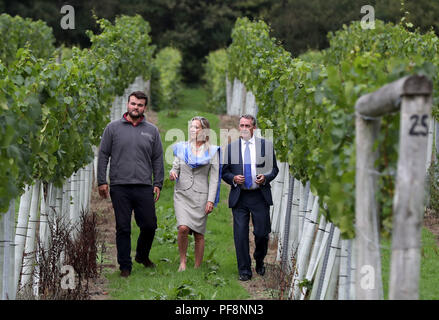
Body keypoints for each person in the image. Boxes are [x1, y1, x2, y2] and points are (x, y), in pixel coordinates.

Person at [97, 91, 164, 278]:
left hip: (143, 185)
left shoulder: (152, 130)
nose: (136, 107)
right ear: (128, 104)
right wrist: (102, 181)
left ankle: (142, 256)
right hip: (120, 186)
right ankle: (125, 266)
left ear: (145, 108)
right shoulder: (112, 128)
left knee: (150, 225)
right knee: (123, 227)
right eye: (133, 104)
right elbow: (103, 155)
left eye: (140, 105)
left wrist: (158, 182)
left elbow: (158, 158)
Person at [222, 114, 279, 281]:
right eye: (242, 125)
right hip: (240, 197)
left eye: (248, 126)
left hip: (259, 196)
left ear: (254, 128)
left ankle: (259, 259)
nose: (244, 128)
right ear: (239, 127)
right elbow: (224, 172)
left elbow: (274, 169)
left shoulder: (265, 146)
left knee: (261, 234)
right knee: (240, 235)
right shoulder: (231, 148)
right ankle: (244, 271)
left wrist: (265, 178)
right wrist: (233, 178)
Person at [169, 116, 221, 272]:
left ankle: (197, 268)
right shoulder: (182, 148)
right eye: (191, 127)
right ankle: (183, 262)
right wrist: (172, 173)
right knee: (183, 228)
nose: (193, 130)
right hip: (182, 194)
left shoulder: (212, 151)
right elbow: (175, 167)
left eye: (196, 127)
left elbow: (214, 179)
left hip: (200, 196)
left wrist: (210, 200)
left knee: (199, 233)